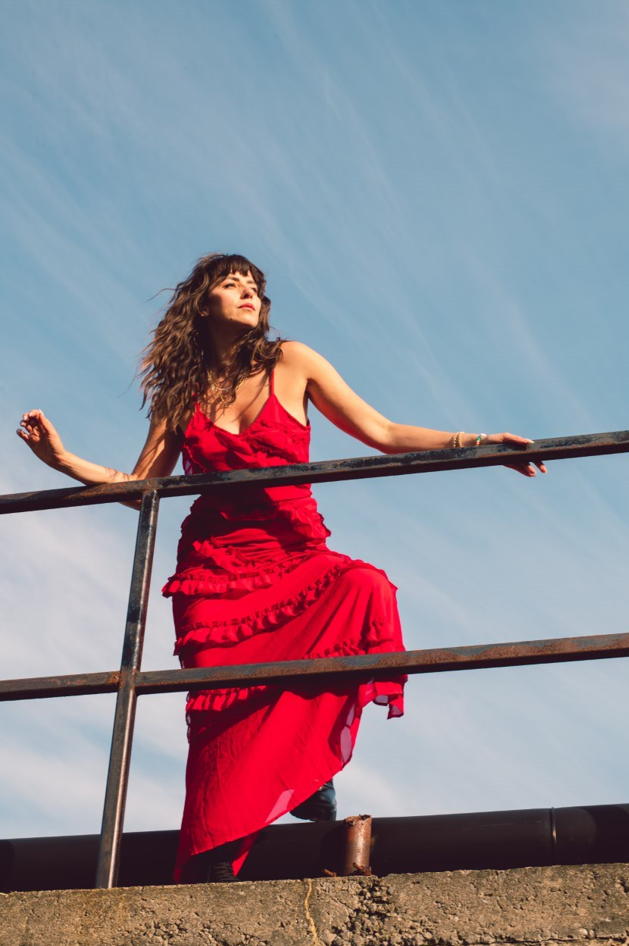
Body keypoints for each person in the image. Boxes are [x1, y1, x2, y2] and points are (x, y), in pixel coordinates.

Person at [17, 252, 547, 883]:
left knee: (364, 589)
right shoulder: (180, 394)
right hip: (213, 574)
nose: (248, 294)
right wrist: (62, 459)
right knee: (221, 710)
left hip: (295, 559)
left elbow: (379, 430)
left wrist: (480, 445)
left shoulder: (291, 361)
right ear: (202, 302)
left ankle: (309, 776)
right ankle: (215, 858)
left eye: (255, 288)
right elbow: (141, 488)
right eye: (232, 284)